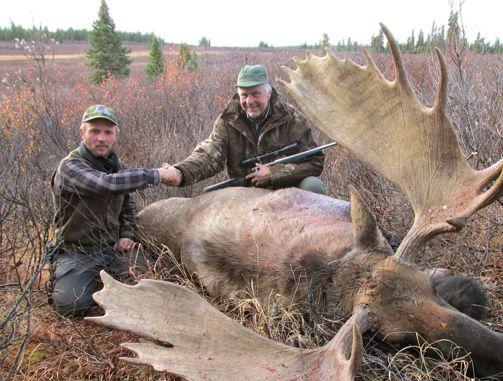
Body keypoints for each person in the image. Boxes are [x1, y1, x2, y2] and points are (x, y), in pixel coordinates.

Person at [51, 105, 175, 317]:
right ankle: (78, 279)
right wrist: (157, 174)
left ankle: (106, 283)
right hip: (77, 252)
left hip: (112, 249)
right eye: (94, 131)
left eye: (108, 132)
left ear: (115, 135)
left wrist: (126, 235)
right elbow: (105, 184)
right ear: (82, 133)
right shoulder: (70, 167)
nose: (101, 138)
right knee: (70, 306)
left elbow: (127, 205)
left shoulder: (115, 165)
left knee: (157, 280)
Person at [161, 65, 325, 193]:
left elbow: (315, 162)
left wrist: (275, 173)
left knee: (313, 186)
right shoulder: (227, 120)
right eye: (244, 95)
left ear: (268, 93)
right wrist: (179, 172)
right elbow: (210, 155)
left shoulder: (291, 118)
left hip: (288, 189)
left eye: (256, 94)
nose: (249, 101)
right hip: (244, 193)